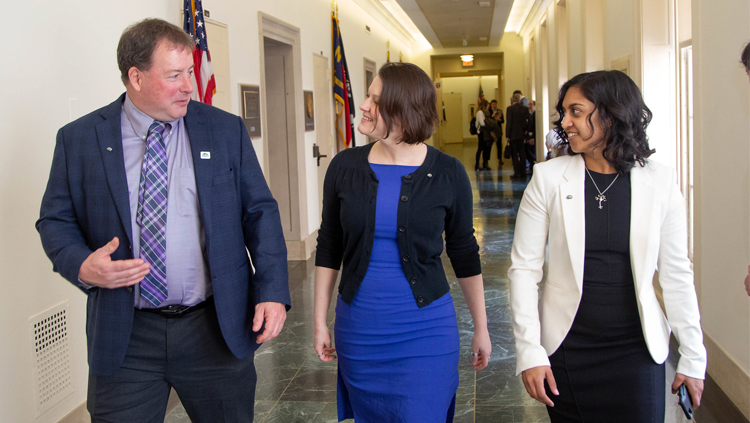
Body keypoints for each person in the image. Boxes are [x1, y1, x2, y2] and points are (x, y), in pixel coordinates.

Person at [36, 18, 290, 422]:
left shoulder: (224, 131)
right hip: (126, 335)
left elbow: (260, 211)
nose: (189, 85)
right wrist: (82, 265)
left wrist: (273, 290)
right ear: (135, 77)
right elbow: (55, 219)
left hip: (214, 327)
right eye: (175, 75)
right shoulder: (79, 139)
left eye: (189, 71)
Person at [508, 70, 706, 422]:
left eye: (577, 112)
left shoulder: (660, 182)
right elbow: (524, 271)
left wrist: (693, 355)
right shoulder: (549, 178)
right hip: (569, 349)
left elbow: (676, 274)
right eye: (564, 113)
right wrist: (530, 351)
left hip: (636, 351)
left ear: (611, 114)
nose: (565, 123)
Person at [313, 62, 491, 422]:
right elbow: (329, 244)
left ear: (404, 112)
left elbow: (464, 253)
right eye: (367, 95)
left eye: (376, 100)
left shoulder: (448, 173)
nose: (363, 105)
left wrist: (482, 327)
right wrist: (319, 320)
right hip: (360, 328)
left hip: (426, 329)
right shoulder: (344, 167)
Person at [506, 92, 529, 179]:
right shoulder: (524, 109)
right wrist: (525, 130)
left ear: (512, 100)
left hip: (513, 135)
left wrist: (507, 135)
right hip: (522, 134)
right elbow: (527, 121)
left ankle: (517, 172)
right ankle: (523, 172)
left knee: (514, 154)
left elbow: (509, 123)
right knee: (522, 153)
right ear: (519, 100)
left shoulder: (510, 109)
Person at [474, 100, 492, 171]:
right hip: (481, 133)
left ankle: (485, 163)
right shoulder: (480, 112)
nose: (488, 106)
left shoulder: (485, 113)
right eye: (487, 105)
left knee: (485, 148)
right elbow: (482, 123)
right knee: (480, 148)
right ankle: (477, 164)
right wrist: (489, 124)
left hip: (485, 132)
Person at [489, 99, 505, 167]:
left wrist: (499, 119)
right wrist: (492, 117)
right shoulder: (489, 111)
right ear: (491, 105)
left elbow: (503, 121)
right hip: (492, 130)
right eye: (493, 104)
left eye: (495, 104)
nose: (494, 105)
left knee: (499, 145)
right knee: (489, 145)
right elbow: (488, 119)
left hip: (498, 130)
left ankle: (500, 158)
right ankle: (487, 159)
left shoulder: (500, 111)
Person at [525, 99, 537, 174]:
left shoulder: (535, 114)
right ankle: (532, 162)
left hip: (532, 135)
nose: (529, 106)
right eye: (529, 104)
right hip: (529, 135)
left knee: (530, 149)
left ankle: (533, 161)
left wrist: (532, 137)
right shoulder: (528, 113)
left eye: (531, 104)